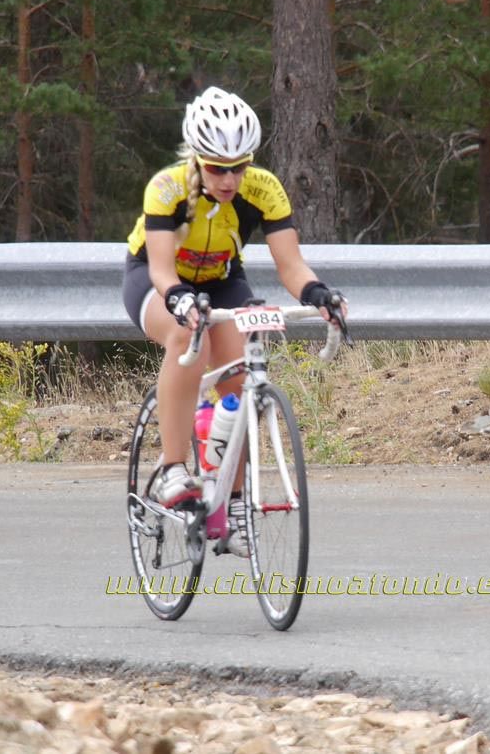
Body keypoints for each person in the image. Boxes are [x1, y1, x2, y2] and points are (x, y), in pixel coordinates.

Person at [122, 86, 345, 555]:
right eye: (218, 168)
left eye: (239, 166)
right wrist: (180, 299)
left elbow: (290, 265)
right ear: (197, 158)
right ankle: (174, 468)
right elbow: (162, 270)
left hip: (222, 279)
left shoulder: (264, 189)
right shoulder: (167, 188)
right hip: (156, 280)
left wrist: (318, 293)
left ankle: (234, 504)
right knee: (187, 335)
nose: (229, 179)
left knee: (241, 381)